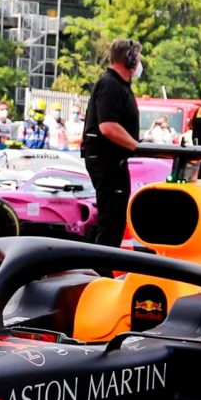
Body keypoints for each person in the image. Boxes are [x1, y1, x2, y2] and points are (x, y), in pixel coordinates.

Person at [81, 40, 145, 247]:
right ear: (130, 59)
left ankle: (105, 259)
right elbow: (108, 126)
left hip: (113, 161)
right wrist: (136, 145)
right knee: (111, 218)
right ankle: (104, 263)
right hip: (106, 161)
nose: (140, 63)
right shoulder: (111, 84)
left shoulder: (119, 85)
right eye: (138, 58)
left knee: (114, 218)